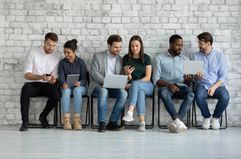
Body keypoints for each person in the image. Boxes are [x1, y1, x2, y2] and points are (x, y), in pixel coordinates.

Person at [152, 34, 194, 133]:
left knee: (191, 94)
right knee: (163, 93)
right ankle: (178, 122)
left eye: (181, 45)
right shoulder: (159, 58)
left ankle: (176, 121)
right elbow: (156, 79)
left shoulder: (185, 59)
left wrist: (189, 79)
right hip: (166, 86)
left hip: (181, 85)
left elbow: (188, 83)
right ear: (170, 44)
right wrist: (169, 85)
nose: (180, 47)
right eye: (177, 45)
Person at [19, 32, 61, 131]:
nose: (51, 48)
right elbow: (26, 74)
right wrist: (41, 77)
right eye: (49, 44)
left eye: (54, 45)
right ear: (44, 42)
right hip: (33, 83)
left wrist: (53, 80)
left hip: (47, 85)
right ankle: (25, 122)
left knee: (57, 94)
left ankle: (43, 116)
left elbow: (54, 76)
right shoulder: (33, 53)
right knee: (25, 89)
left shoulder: (57, 56)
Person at [88, 34, 128, 132]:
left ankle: (112, 122)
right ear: (109, 46)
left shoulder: (121, 59)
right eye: (115, 47)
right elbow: (94, 72)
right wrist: (106, 81)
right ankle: (102, 122)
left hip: (114, 87)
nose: (118, 49)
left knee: (123, 93)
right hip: (98, 86)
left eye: (120, 47)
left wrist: (125, 82)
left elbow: (122, 77)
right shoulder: (98, 56)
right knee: (103, 91)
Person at [193, 32, 230, 130]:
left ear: (208, 43)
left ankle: (216, 118)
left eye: (201, 43)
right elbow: (193, 78)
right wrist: (197, 77)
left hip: (217, 85)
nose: (198, 46)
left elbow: (224, 76)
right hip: (202, 85)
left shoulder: (219, 56)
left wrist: (214, 87)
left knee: (225, 96)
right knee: (199, 96)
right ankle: (206, 117)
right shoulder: (196, 56)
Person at [122, 35, 154, 132]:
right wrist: (128, 74)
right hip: (135, 87)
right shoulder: (126, 58)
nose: (134, 48)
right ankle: (142, 123)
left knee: (136, 85)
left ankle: (130, 111)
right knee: (139, 92)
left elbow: (148, 77)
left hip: (147, 85)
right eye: (132, 46)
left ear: (141, 46)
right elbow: (129, 78)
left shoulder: (147, 58)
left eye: (137, 46)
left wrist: (134, 84)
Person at [58, 39, 87, 130]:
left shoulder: (81, 62)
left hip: (79, 87)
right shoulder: (62, 63)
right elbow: (61, 77)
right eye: (64, 52)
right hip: (67, 87)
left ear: (74, 51)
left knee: (77, 90)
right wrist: (63, 83)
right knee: (66, 91)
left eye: (68, 52)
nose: (66, 54)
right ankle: (66, 121)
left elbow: (84, 78)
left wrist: (80, 83)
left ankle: (76, 121)